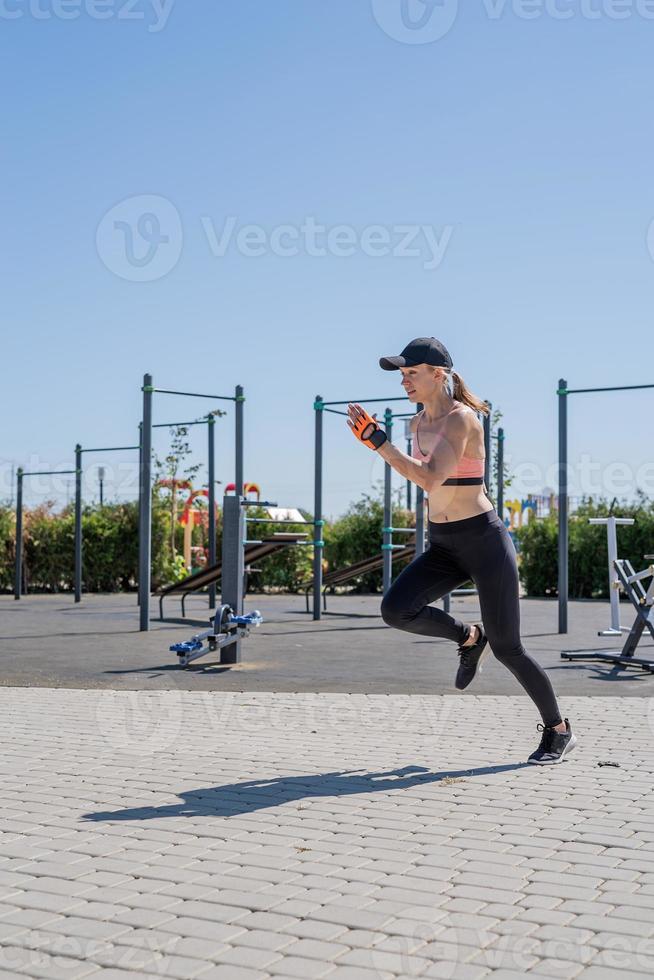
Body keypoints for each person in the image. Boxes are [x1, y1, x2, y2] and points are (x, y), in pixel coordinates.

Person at [347, 337, 576, 765]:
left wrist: (378, 443)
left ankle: (558, 730)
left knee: (509, 648)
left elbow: (432, 478)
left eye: (411, 373)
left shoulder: (462, 420)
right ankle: (469, 637)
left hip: (484, 542)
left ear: (439, 374)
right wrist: (382, 444)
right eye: (402, 374)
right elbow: (426, 482)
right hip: (444, 543)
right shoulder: (417, 424)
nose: (404, 381)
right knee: (396, 609)